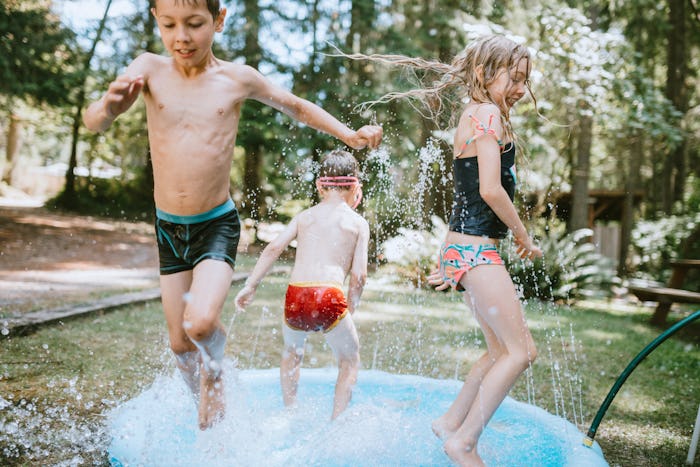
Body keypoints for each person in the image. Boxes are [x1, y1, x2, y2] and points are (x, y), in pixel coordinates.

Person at [82, 0, 382, 431]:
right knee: (179, 342)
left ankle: (215, 374)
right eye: (169, 24)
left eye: (194, 23)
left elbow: (295, 105)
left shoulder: (235, 78)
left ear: (219, 20)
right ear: (156, 21)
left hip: (214, 226)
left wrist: (348, 135)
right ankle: (211, 399)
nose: (181, 36)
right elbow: (94, 120)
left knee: (201, 324)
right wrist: (108, 107)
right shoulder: (148, 68)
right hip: (168, 227)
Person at [349, 35, 542, 465]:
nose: (519, 89)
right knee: (521, 352)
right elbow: (489, 190)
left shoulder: (473, 114)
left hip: (463, 248)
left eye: (524, 81)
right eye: (514, 77)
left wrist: (447, 255)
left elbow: (466, 192)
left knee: (498, 353)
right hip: (477, 252)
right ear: (483, 74)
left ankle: (450, 423)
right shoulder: (488, 114)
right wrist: (524, 236)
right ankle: (465, 441)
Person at [235, 149, 367, 420]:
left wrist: (251, 285)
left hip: (296, 295)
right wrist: (351, 307)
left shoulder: (305, 217)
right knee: (350, 359)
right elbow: (359, 276)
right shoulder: (357, 222)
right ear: (355, 187)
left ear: (320, 185)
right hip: (330, 295)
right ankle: (336, 422)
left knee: (292, 352)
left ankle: (290, 412)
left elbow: (273, 248)